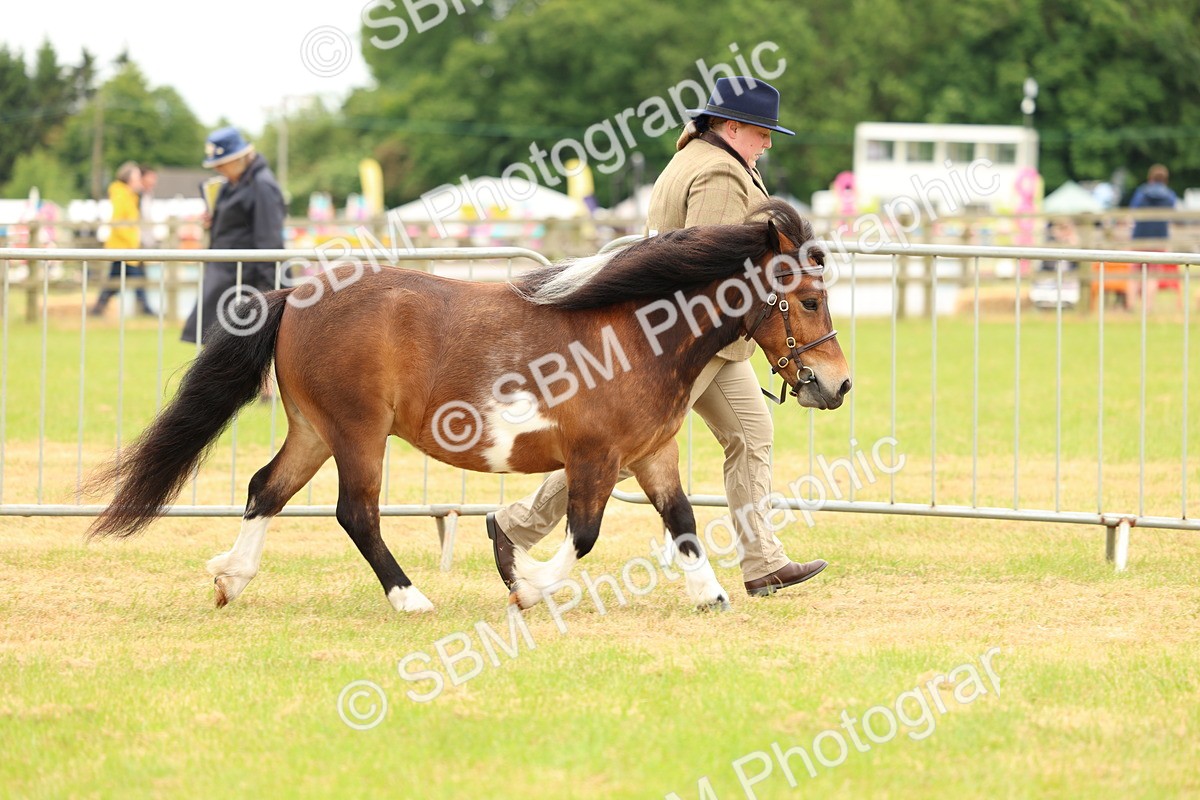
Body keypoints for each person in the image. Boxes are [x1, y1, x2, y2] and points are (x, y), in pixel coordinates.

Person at [487, 76, 828, 598]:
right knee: (625, 447)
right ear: (732, 127)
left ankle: (762, 561)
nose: (769, 142)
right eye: (763, 132)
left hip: (701, 341)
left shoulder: (707, 161)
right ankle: (516, 526)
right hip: (688, 339)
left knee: (750, 434)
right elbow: (711, 272)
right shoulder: (717, 174)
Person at [182, 127, 286, 345]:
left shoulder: (262, 186)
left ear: (239, 158)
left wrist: (268, 296)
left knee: (238, 352)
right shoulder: (232, 183)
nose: (217, 168)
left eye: (221, 163)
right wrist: (215, 220)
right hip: (226, 278)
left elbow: (270, 241)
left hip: (246, 284)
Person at [93, 161, 154, 316]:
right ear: (128, 179)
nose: (139, 181)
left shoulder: (129, 196)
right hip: (123, 248)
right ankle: (146, 309)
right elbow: (118, 222)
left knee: (114, 283)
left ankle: (97, 309)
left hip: (125, 248)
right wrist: (130, 241)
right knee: (136, 279)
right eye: (136, 178)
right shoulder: (121, 195)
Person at [1129, 164, 1180, 303]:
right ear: (1165, 179)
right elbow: (1174, 215)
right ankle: (1148, 307)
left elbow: (1133, 210)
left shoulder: (1141, 192)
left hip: (1139, 237)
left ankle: (1130, 305)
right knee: (1153, 273)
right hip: (1159, 238)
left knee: (1134, 271)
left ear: (1150, 177)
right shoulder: (1169, 195)